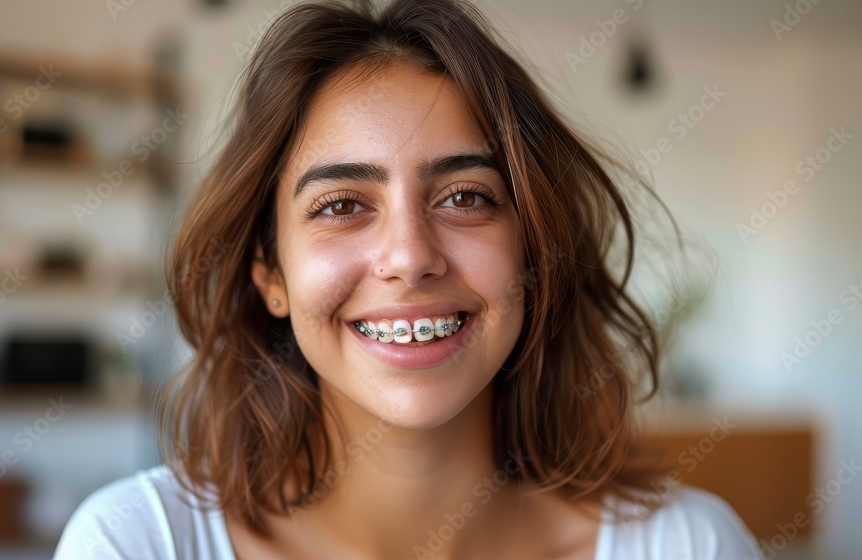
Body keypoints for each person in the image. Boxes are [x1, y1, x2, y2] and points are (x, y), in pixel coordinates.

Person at [54, 0, 761, 558]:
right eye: (341, 206)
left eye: (465, 197)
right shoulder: (135, 543)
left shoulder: (689, 545)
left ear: (532, 252)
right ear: (270, 273)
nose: (409, 255)